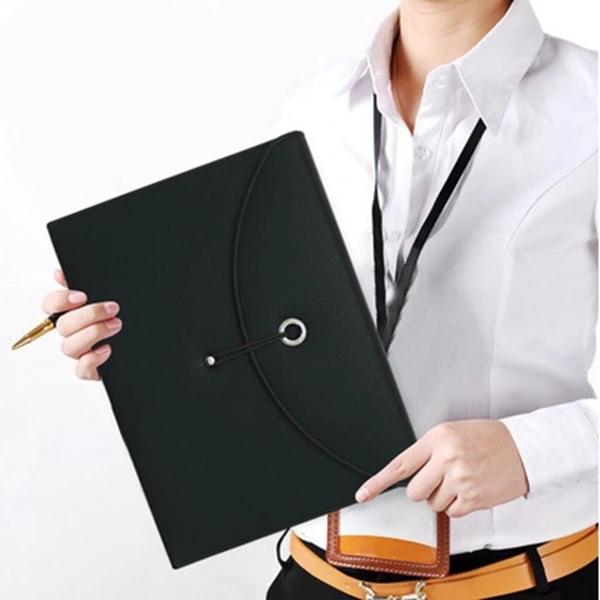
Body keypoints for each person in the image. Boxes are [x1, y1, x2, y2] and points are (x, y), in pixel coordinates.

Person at [41, 0, 598, 597]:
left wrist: (529, 452)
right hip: (316, 578)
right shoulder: (313, 109)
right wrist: (136, 347)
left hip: (522, 582)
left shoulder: (588, 106)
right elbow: (264, 332)